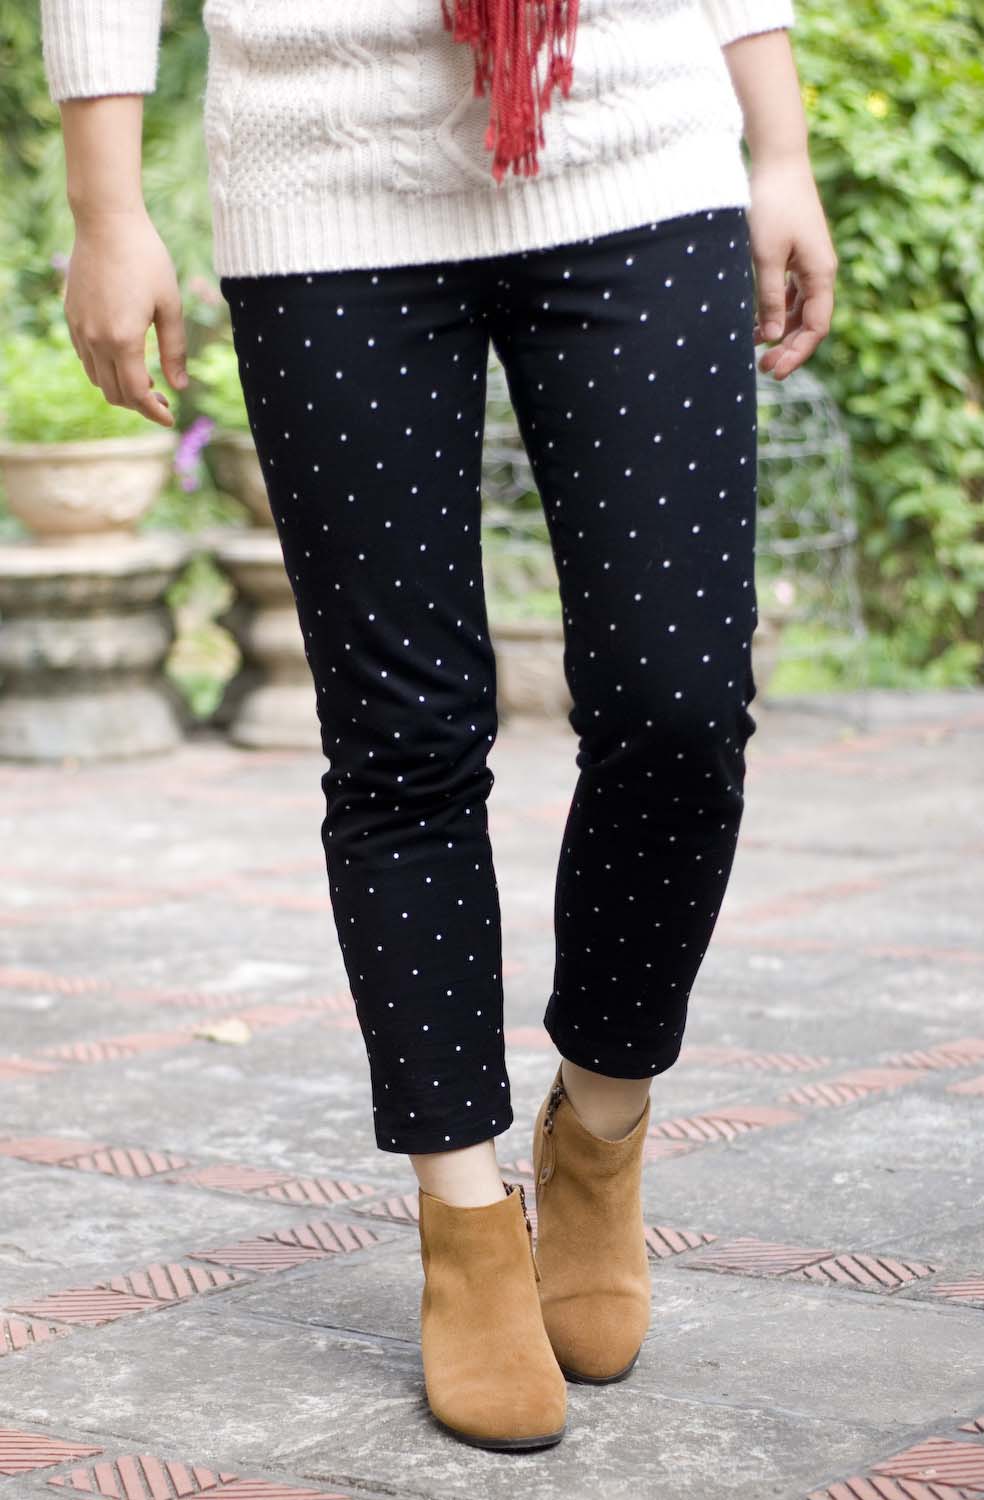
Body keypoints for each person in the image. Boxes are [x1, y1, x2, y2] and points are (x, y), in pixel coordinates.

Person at [40, 0, 836, 1454]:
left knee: (680, 705)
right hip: (325, 167)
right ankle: (464, 1217)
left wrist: (776, 143)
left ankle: (599, 1126)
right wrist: (107, 206)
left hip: (637, 137)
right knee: (403, 739)